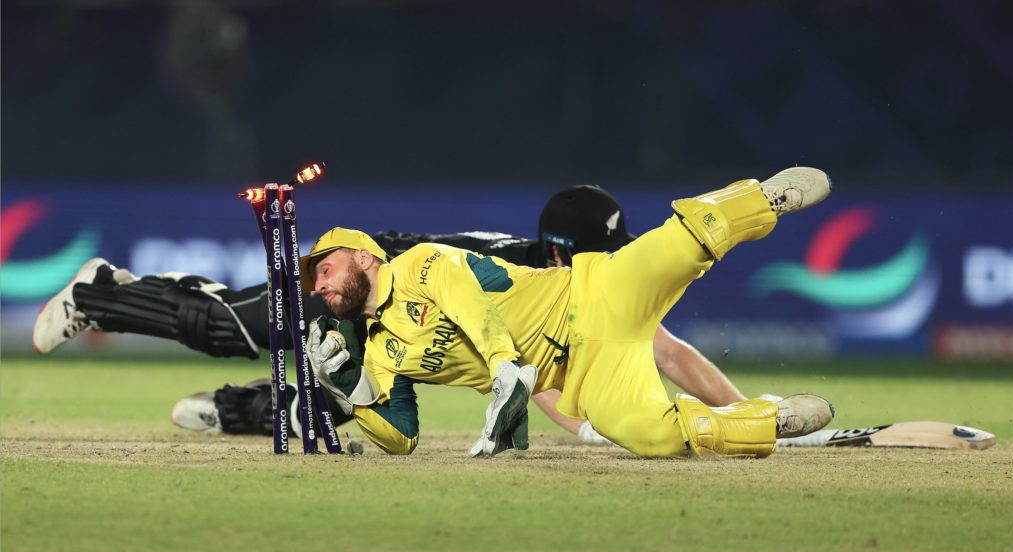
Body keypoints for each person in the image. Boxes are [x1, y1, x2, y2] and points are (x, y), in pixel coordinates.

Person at [32, 183, 784, 448]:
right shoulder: (527, 273)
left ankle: (236, 413)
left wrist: (746, 408)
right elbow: (536, 377)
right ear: (564, 252)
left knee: (349, 401)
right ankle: (101, 293)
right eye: (598, 253)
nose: (609, 265)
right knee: (231, 327)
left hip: (396, 320)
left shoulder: (571, 277)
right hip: (362, 282)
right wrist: (593, 427)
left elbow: (666, 349)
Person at [299, 167, 835, 458]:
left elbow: (470, 309)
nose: (318, 283)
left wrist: (505, 367)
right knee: (654, 437)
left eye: (324, 268)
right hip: (585, 374)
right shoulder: (378, 353)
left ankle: (765, 198)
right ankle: (770, 419)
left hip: (594, 294)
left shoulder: (420, 262)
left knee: (683, 243)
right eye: (312, 280)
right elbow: (402, 441)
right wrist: (352, 387)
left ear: (363, 254)